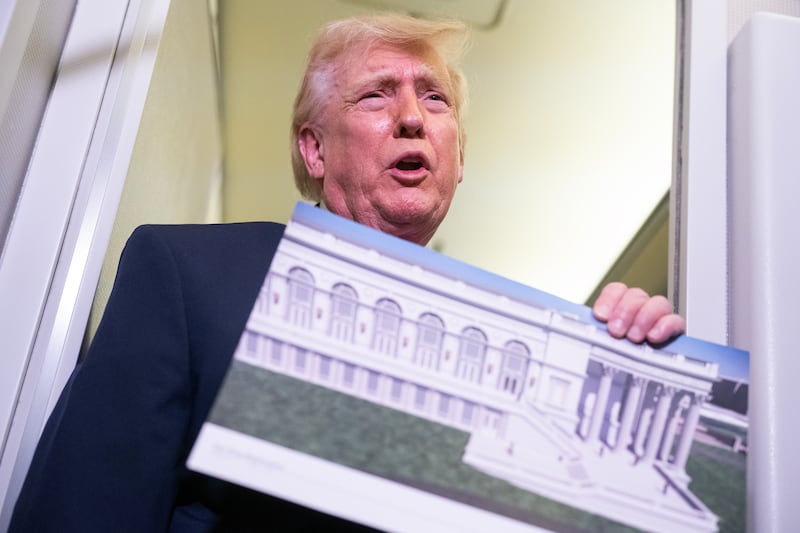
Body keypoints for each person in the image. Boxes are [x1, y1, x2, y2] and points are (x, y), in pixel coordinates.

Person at [9, 13, 685, 532]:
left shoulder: (530, 347)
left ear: (459, 158)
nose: (413, 117)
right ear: (314, 148)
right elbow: (85, 507)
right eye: (375, 95)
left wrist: (624, 356)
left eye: (435, 99)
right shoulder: (192, 275)